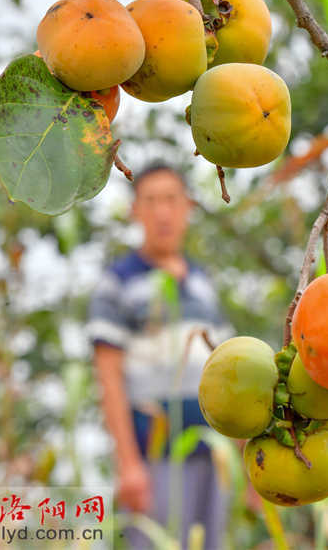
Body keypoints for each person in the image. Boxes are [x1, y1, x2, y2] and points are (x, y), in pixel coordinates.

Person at [87, 162, 234, 549]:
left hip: (213, 455)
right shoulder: (118, 282)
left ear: (187, 207)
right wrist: (128, 463)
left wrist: (239, 453)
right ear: (135, 211)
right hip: (155, 459)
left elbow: (228, 373)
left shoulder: (204, 284)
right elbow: (109, 377)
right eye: (150, 201)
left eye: (171, 200)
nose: (162, 212)